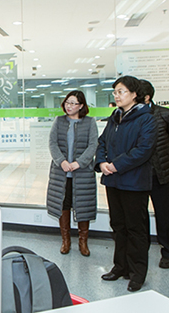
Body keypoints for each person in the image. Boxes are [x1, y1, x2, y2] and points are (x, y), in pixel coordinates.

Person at [96, 75, 156, 292]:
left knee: (135, 228)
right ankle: (120, 266)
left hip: (134, 181)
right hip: (113, 181)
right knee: (118, 225)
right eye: (115, 92)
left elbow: (143, 149)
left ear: (134, 94)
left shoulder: (146, 118)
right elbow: (102, 142)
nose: (117, 96)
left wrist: (116, 165)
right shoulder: (115, 117)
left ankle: (137, 272)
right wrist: (102, 162)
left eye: (121, 92)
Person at [138, 80, 169, 269]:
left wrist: (163, 157)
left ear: (147, 97)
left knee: (165, 215)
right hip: (137, 174)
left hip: (160, 172)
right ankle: (141, 251)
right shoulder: (129, 115)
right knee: (139, 216)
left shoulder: (166, 115)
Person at [47, 90, 98, 256]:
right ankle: (66, 241)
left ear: (81, 105)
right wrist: (61, 161)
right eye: (67, 102)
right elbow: (52, 143)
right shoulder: (59, 121)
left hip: (82, 173)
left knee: (84, 206)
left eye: (73, 103)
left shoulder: (90, 122)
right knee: (64, 205)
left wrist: (79, 163)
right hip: (61, 173)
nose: (69, 106)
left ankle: (83, 242)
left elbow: (93, 145)